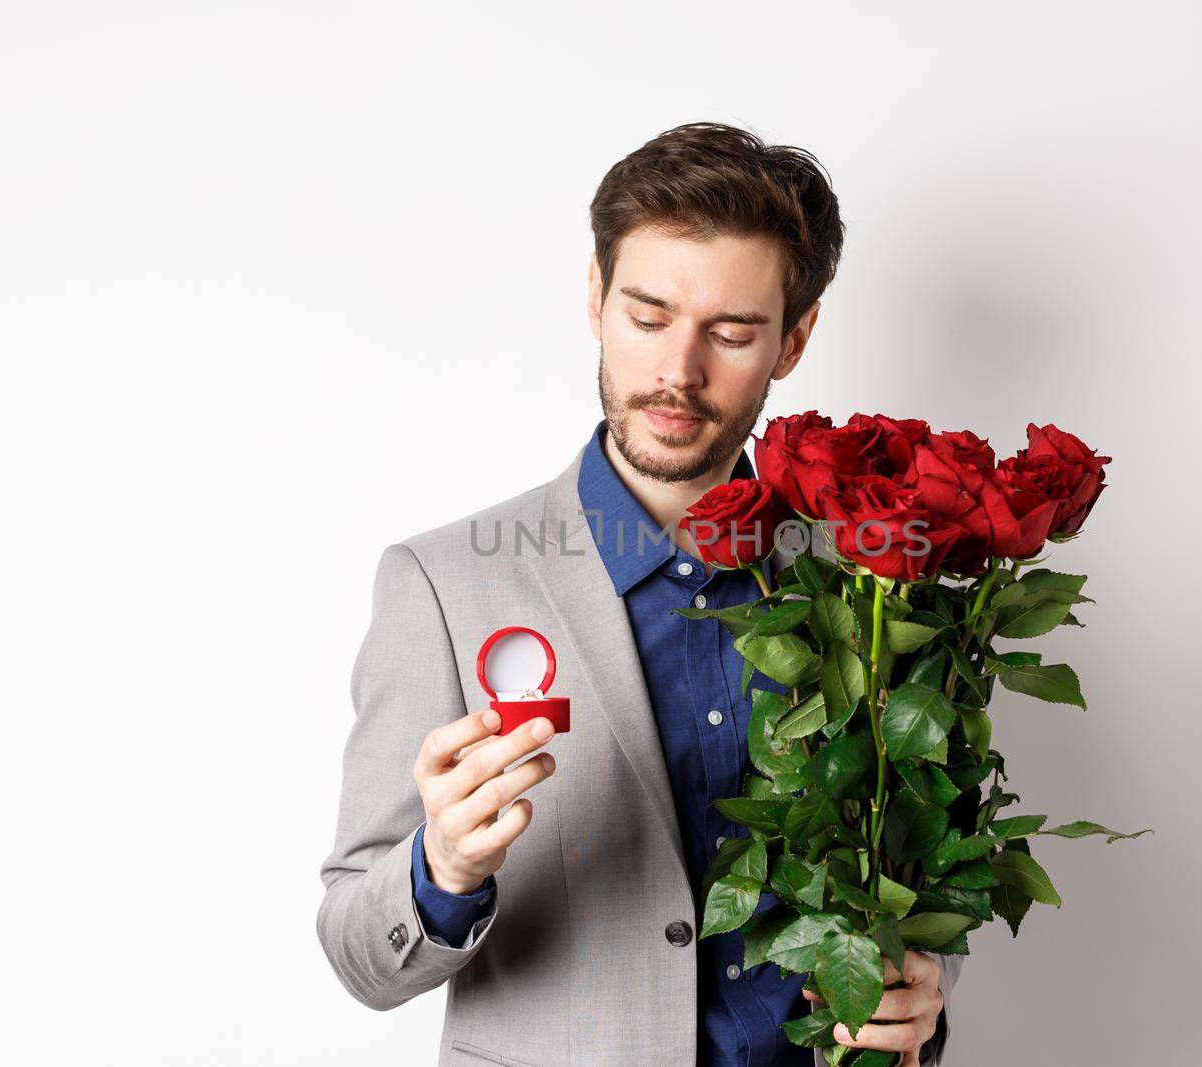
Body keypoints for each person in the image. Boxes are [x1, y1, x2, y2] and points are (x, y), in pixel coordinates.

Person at [316, 121, 959, 1066]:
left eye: (732, 333)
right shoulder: (443, 583)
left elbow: (920, 870)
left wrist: (921, 1002)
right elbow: (359, 956)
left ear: (796, 338)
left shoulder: (870, 578)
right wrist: (441, 869)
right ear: (595, 296)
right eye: (648, 318)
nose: (677, 372)